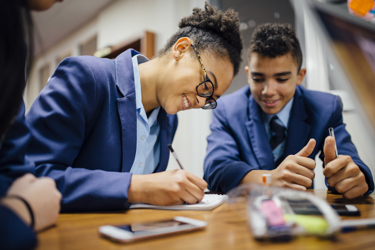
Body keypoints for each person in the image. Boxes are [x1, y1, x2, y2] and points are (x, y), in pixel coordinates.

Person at [25, 3, 243, 212]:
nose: (202, 102)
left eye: (211, 99)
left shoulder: (169, 119)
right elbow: (31, 174)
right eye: (206, 86)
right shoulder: (86, 77)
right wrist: (137, 187)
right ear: (181, 49)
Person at [203, 23, 374, 199]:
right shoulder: (227, 108)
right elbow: (216, 169)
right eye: (258, 78)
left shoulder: (325, 108)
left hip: (301, 211)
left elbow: (349, 159)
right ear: (248, 75)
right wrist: (268, 179)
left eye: (282, 79)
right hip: (244, 213)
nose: (268, 90)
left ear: (300, 76)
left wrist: (354, 176)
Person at [0, 0, 62, 249]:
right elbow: (43, 166)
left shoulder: (13, 41)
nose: (197, 101)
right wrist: (20, 210)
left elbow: (13, 167)